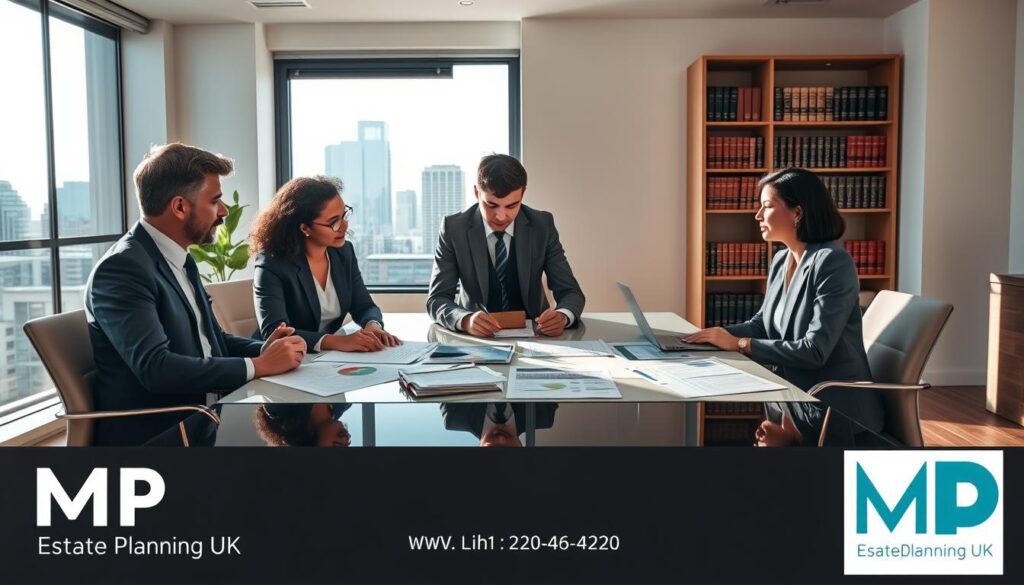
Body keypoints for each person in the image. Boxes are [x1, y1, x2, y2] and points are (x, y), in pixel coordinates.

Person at [85, 143, 306, 446]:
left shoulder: (180, 259)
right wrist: (260, 365)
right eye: (215, 200)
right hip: (164, 433)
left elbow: (212, 340)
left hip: (206, 416)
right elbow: (156, 368)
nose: (224, 211)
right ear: (179, 207)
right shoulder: (123, 270)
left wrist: (265, 351)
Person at [683, 167, 881, 446]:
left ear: (797, 213)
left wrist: (739, 344)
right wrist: (707, 336)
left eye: (767, 206)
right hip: (792, 396)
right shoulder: (781, 260)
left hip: (829, 407)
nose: (758, 216)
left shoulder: (832, 262)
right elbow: (763, 325)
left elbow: (815, 351)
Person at [427, 154, 585, 337]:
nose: (501, 216)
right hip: (475, 340)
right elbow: (437, 299)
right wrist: (465, 320)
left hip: (538, 336)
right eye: (491, 205)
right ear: (477, 193)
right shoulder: (454, 229)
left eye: (511, 206)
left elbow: (571, 292)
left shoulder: (542, 225)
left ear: (523, 194)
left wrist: (563, 316)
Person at [250, 176, 399, 352]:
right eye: (333, 222)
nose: (344, 226)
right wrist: (338, 342)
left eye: (344, 215)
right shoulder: (272, 263)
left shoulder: (343, 252)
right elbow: (275, 331)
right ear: (305, 228)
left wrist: (373, 326)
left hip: (329, 359)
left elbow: (364, 306)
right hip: (283, 358)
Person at [254, 403, 352, 447]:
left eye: (337, 446)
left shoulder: (282, 409)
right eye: (347, 444)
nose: (345, 439)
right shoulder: (344, 404)